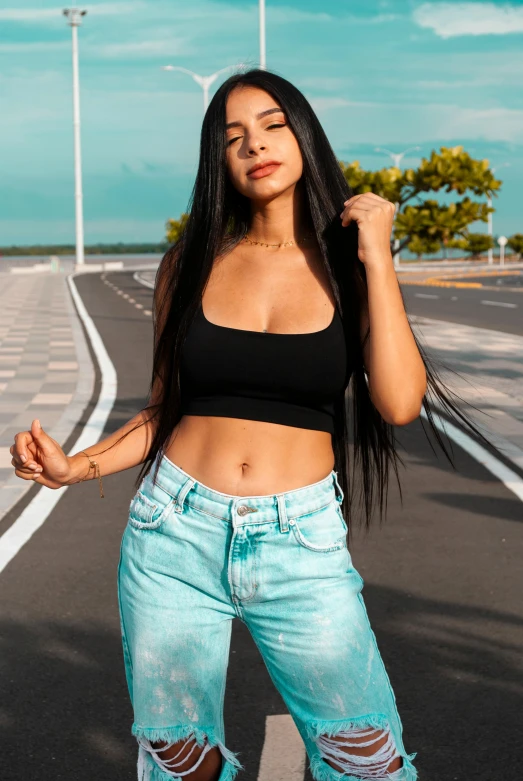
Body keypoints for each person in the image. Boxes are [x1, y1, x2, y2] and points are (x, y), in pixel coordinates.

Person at [10, 68, 496, 781]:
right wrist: (70, 467)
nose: (254, 145)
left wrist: (376, 258)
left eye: (271, 124)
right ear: (219, 162)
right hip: (172, 531)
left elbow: (397, 403)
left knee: (365, 757)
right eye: (232, 136)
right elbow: (162, 408)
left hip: (299, 540)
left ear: (303, 135)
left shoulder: (348, 268)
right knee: (179, 754)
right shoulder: (189, 264)